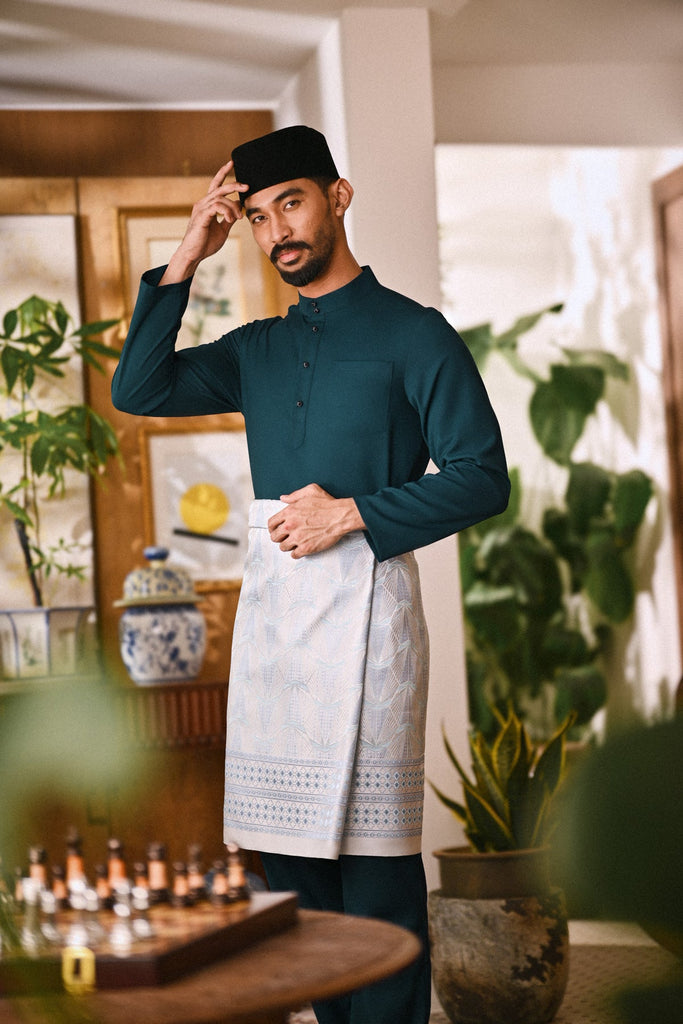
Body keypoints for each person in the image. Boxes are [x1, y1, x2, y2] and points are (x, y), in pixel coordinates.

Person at [112, 124, 509, 1024]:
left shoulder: (415, 334)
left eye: (289, 204)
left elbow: (483, 477)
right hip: (278, 630)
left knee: (374, 878)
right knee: (295, 878)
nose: (275, 231)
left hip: (369, 621)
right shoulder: (256, 349)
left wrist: (352, 512)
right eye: (256, 217)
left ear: (338, 197)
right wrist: (189, 250)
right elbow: (138, 389)